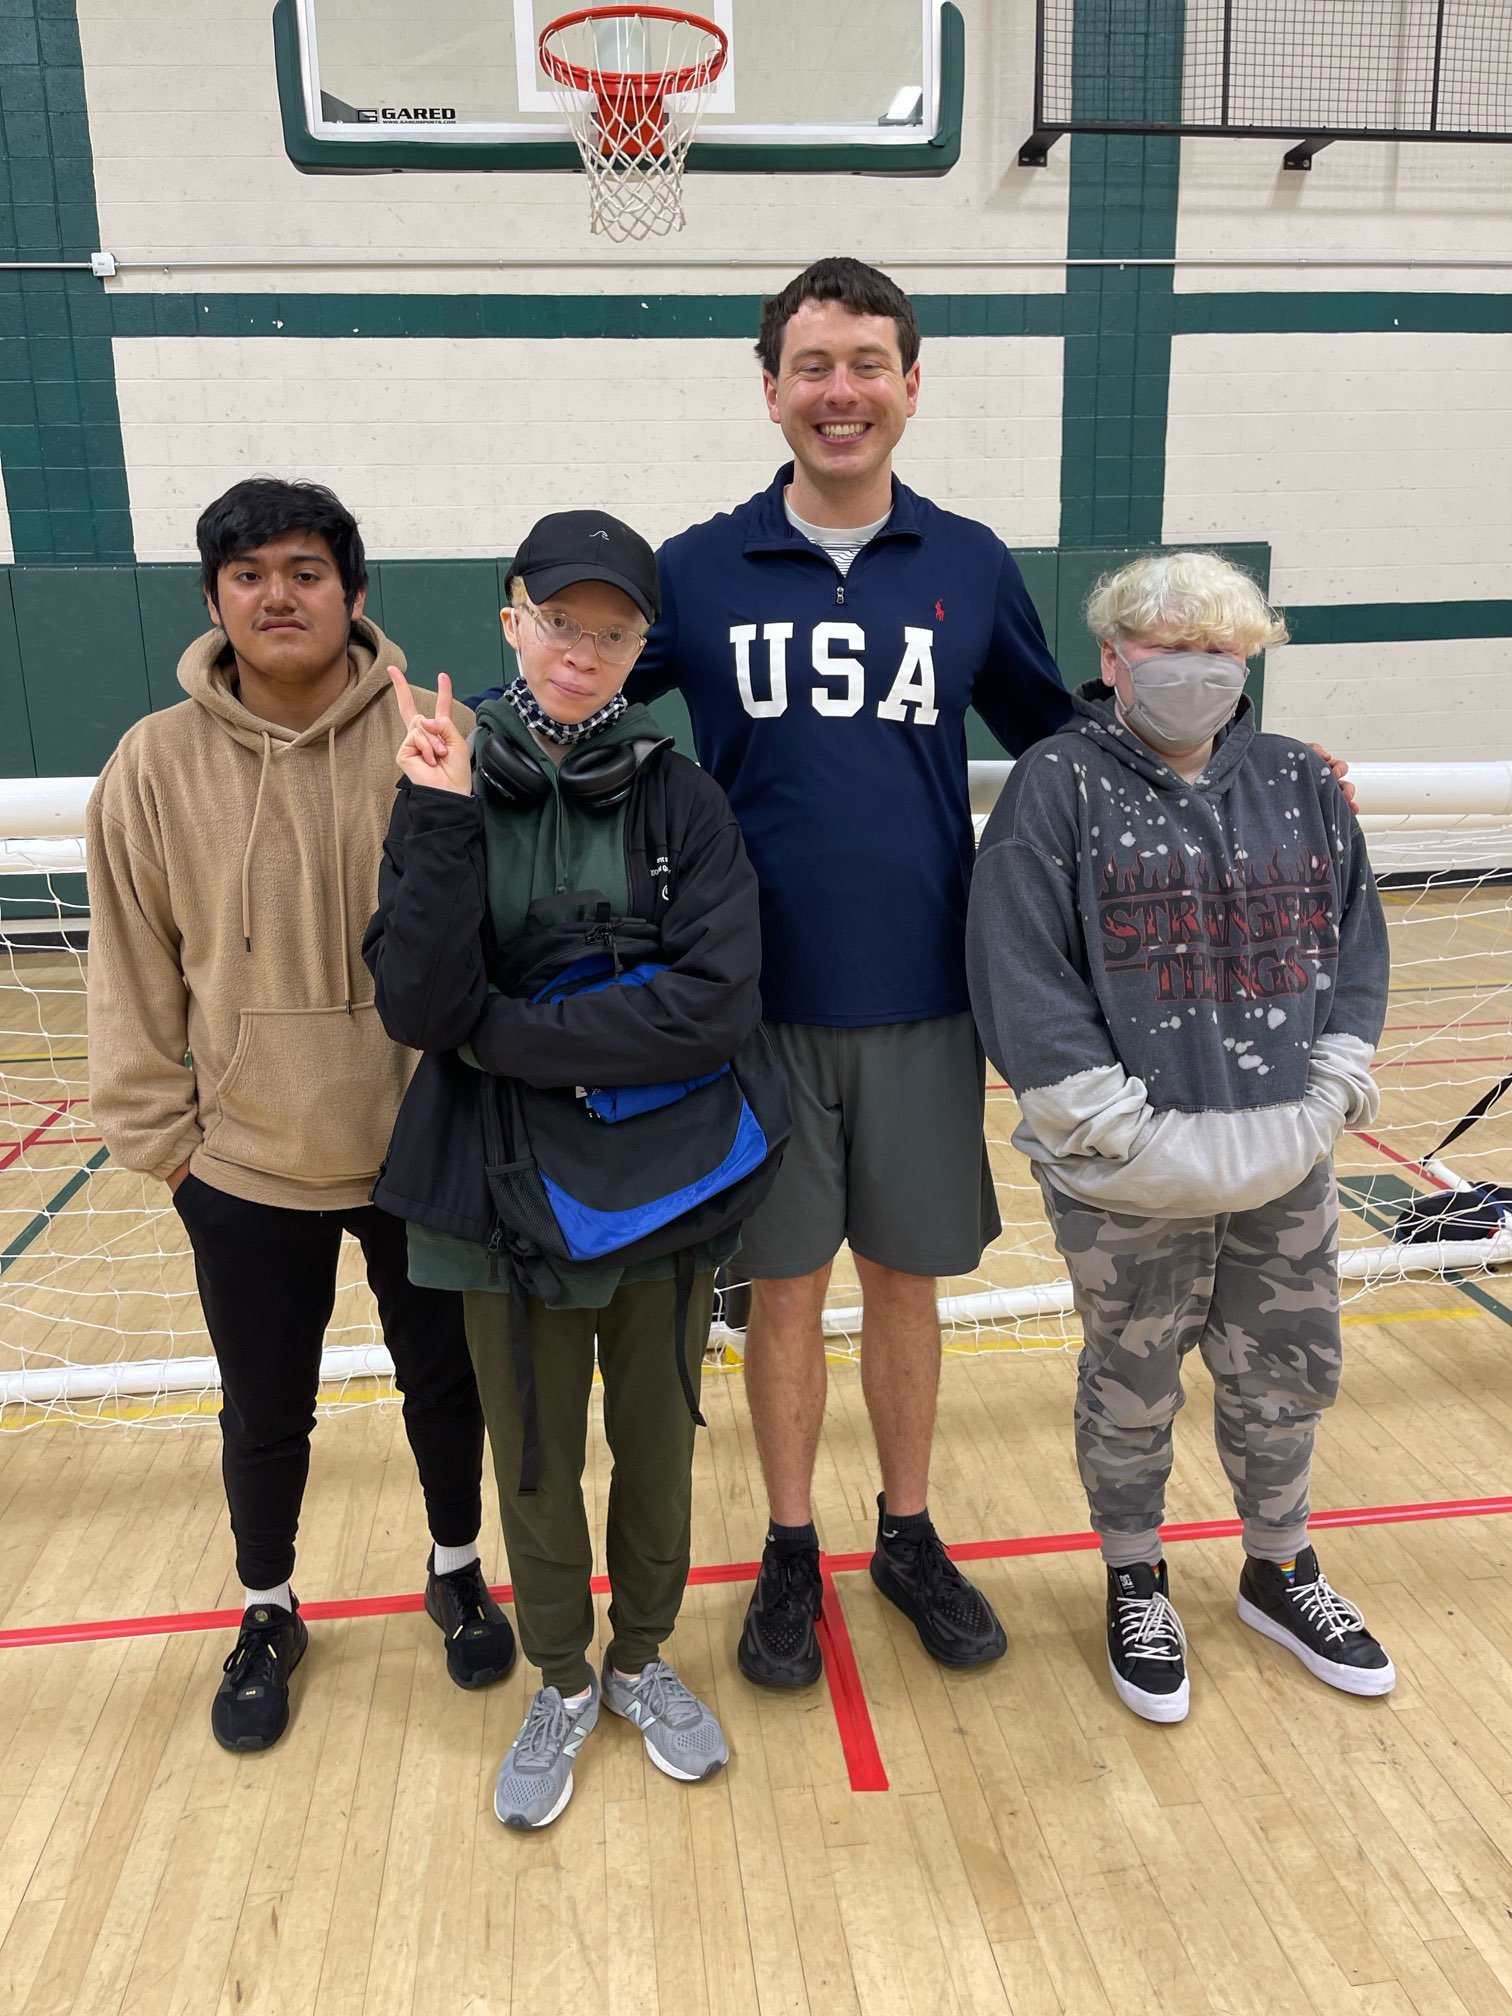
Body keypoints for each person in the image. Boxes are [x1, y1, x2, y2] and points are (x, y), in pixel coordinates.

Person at [626, 256, 1074, 1686]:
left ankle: (908, 1531)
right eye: (813, 366)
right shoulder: (691, 571)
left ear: (911, 387)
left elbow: (1063, 737)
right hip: (749, 1009)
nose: (841, 391)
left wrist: (1240, 751)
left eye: (867, 363)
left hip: (925, 1003)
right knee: (777, 1293)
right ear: (771, 390)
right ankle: (786, 1545)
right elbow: (570, 700)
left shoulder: (968, 562)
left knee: (903, 1288)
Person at [85, 478, 514, 1753]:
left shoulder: (434, 737)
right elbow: (129, 965)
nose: (280, 594)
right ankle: (268, 1609)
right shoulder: (153, 764)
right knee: (264, 1410)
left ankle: (455, 1567)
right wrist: (172, 1153)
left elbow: (490, 941)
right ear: (215, 599)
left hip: (421, 1149)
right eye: (252, 573)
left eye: (307, 571)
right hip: (248, 1164)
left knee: (448, 1389)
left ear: (355, 593)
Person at [364, 510, 773, 1830]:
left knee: (657, 1450)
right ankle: (560, 1676)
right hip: (497, 1201)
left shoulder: (682, 796)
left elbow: (715, 1006)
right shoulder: (445, 775)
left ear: (643, 645)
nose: (580, 650)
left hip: (661, 1189)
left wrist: (512, 1033)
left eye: (611, 630)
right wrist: (434, 818)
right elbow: (419, 1003)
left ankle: (643, 1657)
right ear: (510, 617)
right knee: (535, 1460)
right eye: (557, 621)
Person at [966, 551, 1394, 1724]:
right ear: (1111, 658)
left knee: (1284, 1368)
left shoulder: (1301, 781)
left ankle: (1280, 1563)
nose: (1193, 669)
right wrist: (1114, 1126)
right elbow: (1021, 971)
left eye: (1217, 649)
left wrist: (1328, 1092)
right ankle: (1135, 1572)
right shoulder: (1054, 787)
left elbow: (1357, 942)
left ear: (1247, 661)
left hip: (1287, 1157)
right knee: (1134, 1377)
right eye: (1165, 645)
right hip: (1126, 1170)